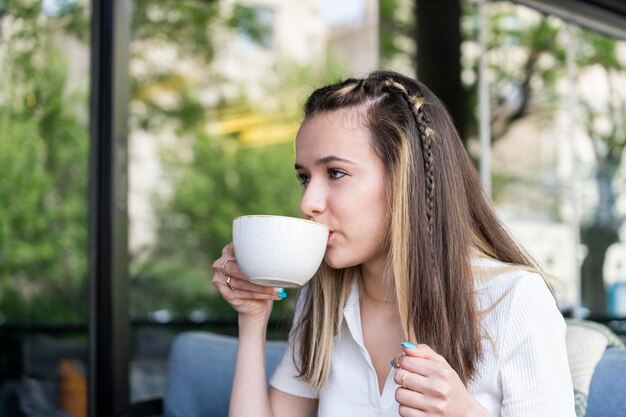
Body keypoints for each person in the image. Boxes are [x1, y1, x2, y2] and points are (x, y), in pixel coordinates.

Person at [212, 70, 576, 417]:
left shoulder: (514, 299)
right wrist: (253, 317)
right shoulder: (323, 299)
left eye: (335, 173)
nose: (308, 203)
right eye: (305, 178)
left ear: (406, 181)